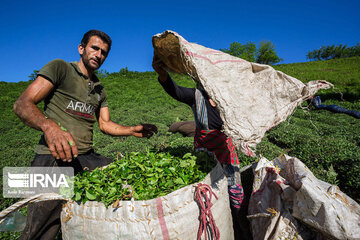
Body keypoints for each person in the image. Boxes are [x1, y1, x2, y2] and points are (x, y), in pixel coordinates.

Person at [13, 30, 157, 240]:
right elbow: (22, 104)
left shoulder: (99, 89)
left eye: (104, 52)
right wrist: (50, 127)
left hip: (85, 157)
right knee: (42, 230)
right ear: (81, 49)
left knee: (122, 179)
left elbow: (105, 124)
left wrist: (131, 130)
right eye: (94, 48)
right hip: (53, 158)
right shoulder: (60, 68)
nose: (99, 55)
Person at [152, 54, 252, 239]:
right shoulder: (196, 96)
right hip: (203, 151)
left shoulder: (227, 101)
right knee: (207, 193)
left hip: (224, 149)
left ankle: (242, 230)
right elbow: (175, 91)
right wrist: (162, 74)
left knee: (236, 193)